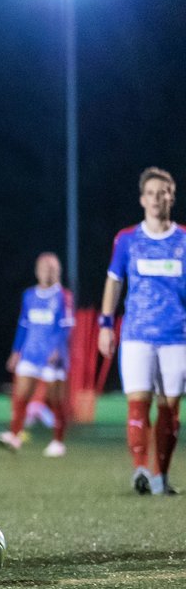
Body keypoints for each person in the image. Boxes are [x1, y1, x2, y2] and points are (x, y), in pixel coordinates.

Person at [97, 167, 186, 496]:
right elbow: (114, 281)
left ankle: (161, 477)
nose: (155, 198)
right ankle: (140, 470)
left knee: (170, 409)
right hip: (136, 335)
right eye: (150, 192)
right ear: (141, 199)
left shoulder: (183, 240)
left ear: (171, 197)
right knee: (137, 403)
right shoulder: (127, 239)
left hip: (177, 337)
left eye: (162, 192)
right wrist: (105, 324)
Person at [0, 253, 73, 457]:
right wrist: (15, 352)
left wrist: (57, 349)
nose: (48, 272)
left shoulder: (63, 296)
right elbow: (23, 325)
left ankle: (58, 441)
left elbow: (66, 327)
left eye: (52, 268)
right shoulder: (29, 295)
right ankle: (14, 436)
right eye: (44, 268)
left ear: (58, 272)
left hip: (53, 357)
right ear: (37, 271)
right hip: (30, 353)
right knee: (20, 397)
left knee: (55, 401)